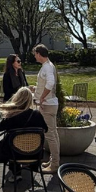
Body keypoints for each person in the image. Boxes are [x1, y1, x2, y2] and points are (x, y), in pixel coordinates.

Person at [0, 86, 47, 181]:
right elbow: (46, 129)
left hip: (15, 153)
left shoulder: (12, 116)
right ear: (30, 100)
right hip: (34, 152)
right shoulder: (37, 115)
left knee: (8, 141)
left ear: (17, 98)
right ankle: (29, 165)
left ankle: (16, 172)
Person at [32, 44, 60, 174]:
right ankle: (53, 160)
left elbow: (50, 83)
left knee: (51, 135)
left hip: (48, 105)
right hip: (50, 103)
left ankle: (54, 165)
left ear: (38, 53)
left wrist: (42, 97)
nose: (34, 56)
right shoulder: (48, 66)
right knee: (53, 134)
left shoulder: (47, 67)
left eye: (35, 54)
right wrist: (37, 89)